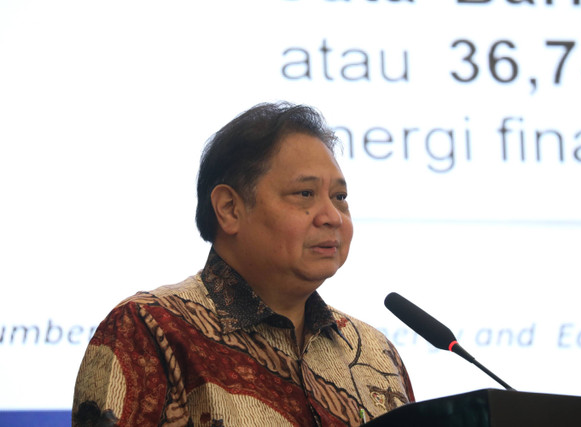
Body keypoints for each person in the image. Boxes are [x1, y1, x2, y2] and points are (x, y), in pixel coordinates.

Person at [72, 102, 414, 426]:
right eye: (305, 194)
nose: (332, 217)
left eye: (340, 198)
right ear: (229, 209)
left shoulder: (374, 352)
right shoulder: (151, 331)